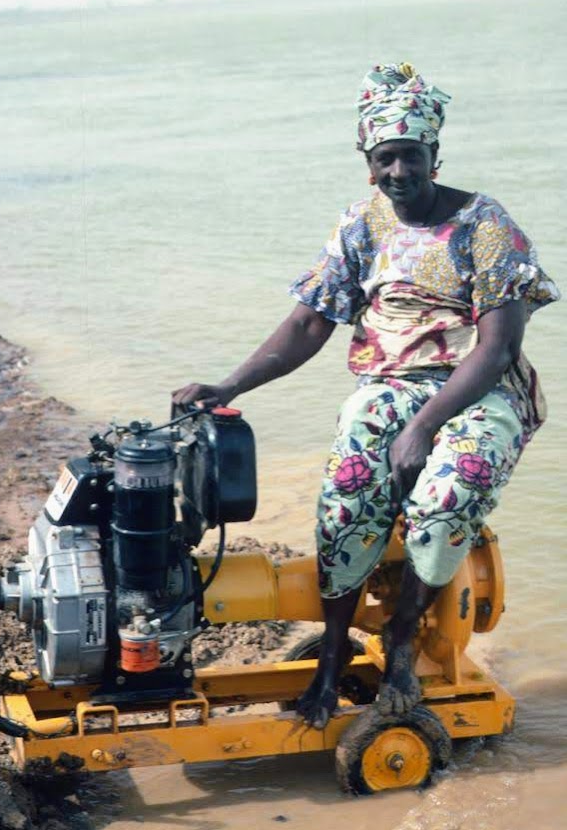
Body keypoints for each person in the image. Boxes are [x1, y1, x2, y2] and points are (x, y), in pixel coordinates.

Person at [172, 62, 559, 730]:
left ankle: (403, 639)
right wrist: (228, 385)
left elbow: (494, 348)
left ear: (434, 155)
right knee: (347, 496)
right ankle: (330, 655)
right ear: (368, 165)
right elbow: (308, 321)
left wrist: (425, 427)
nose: (399, 172)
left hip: (478, 389)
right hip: (388, 383)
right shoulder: (361, 226)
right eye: (385, 159)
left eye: (411, 156)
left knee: (449, 493)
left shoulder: (486, 225)